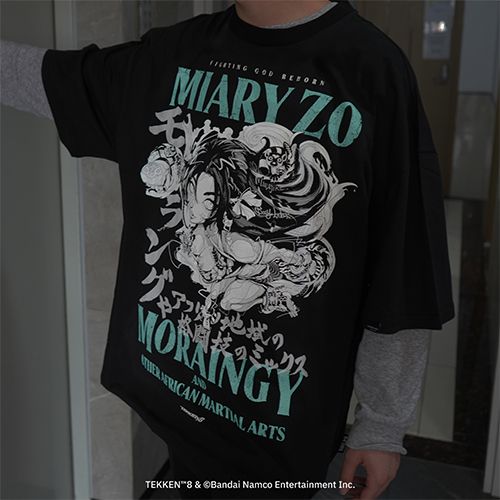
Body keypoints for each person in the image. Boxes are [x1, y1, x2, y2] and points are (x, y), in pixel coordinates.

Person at [0, 1, 455, 499]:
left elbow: (403, 268)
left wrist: (381, 425)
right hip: (175, 396)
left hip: (272, 428)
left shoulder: (371, 69)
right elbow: (53, 81)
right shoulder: (173, 52)